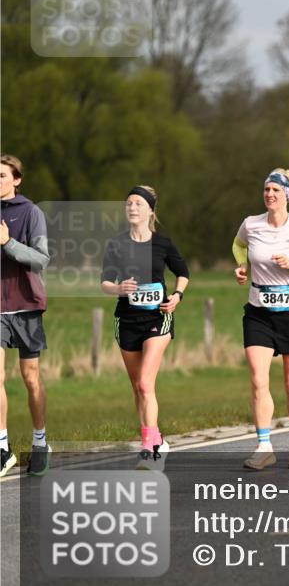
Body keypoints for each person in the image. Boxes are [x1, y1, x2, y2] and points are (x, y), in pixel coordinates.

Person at [233, 169, 289, 470]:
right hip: (258, 312)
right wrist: (242, 266)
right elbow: (238, 245)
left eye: (276, 190)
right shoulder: (251, 224)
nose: (270, 194)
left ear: (287, 195)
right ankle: (264, 446)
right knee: (258, 380)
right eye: (267, 189)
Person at [101, 186, 189, 470]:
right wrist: (118, 288)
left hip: (157, 319)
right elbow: (105, 281)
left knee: (144, 383)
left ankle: (150, 449)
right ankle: (155, 438)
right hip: (127, 320)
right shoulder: (116, 244)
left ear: (150, 210)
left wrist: (177, 296)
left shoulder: (162, 243)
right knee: (137, 387)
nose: (132, 208)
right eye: (129, 203)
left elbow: (183, 273)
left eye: (138, 203)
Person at [0, 154, 51, 477]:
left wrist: (8, 242)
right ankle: (2, 448)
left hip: (26, 305)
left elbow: (41, 259)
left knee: (30, 378)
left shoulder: (31, 212)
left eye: (2, 175)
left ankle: (40, 441)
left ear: (16, 180)